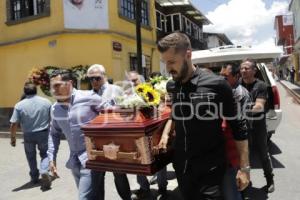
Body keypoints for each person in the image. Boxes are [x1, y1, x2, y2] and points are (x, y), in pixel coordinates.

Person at [156, 32, 248, 200]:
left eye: (172, 62)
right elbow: (175, 115)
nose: (168, 68)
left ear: (188, 55)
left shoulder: (217, 84)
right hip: (182, 168)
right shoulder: (172, 86)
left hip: (210, 169)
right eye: (164, 62)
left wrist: (244, 168)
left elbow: (238, 126)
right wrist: (165, 134)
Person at [47, 69, 109, 200]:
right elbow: (54, 134)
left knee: (84, 197)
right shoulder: (54, 109)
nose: (53, 90)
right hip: (74, 161)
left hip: (93, 158)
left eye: (57, 85)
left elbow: (110, 113)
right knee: (95, 195)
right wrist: (52, 158)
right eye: (51, 86)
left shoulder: (89, 97)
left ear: (69, 83)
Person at [86, 64, 132, 200]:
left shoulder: (116, 89)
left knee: (119, 173)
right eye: (91, 79)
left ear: (104, 76)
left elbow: (127, 109)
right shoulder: (88, 94)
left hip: (114, 137)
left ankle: (127, 198)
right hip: (96, 139)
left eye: (97, 78)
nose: (94, 81)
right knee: (98, 174)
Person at [126, 70, 168, 199]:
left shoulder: (152, 91)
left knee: (159, 158)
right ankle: (143, 187)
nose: (132, 84)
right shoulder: (128, 94)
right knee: (138, 159)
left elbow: (161, 109)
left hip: (154, 129)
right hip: (136, 129)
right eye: (130, 81)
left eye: (134, 81)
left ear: (141, 79)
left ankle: (162, 187)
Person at [240, 58, 275, 193]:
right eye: (242, 68)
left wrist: (240, 110)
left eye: (247, 68)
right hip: (243, 126)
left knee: (263, 154)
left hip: (258, 125)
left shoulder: (260, 85)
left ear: (254, 71)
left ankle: (270, 180)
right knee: (244, 155)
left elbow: (259, 106)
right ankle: (245, 182)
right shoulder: (238, 85)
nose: (243, 70)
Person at [10, 81, 52, 190]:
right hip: (43, 132)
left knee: (30, 156)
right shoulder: (46, 102)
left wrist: (13, 138)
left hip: (28, 134)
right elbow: (52, 118)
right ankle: (44, 171)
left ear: (25, 91)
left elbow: (13, 123)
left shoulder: (19, 105)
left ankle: (34, 177)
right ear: (36, 91)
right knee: (45, 154)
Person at [220, 63, 251, 200]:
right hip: (228, 146)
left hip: (236, 145)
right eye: (220, 76)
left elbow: (241, 126)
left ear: (236, 76)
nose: (222, 79)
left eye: (225, 76)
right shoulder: (225, 91)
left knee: (237, 184)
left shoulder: (239, 94)